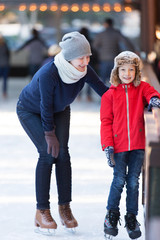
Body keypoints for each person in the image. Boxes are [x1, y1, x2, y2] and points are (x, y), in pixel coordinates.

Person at [16, 31, 108, 235]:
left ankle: (64, 208)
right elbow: (45, 106)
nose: (85, 61)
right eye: (81, 57)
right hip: (30, 110)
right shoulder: (49, 73)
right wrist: (49, 134)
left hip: (60, 110)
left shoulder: (84, 70)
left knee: (63, 154)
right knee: (48, 154)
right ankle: (42, 211)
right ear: (68, 57)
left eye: (88, 57)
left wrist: (130, 102)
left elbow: (103, 91)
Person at [100, 51, 160, 239]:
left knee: (133, 182)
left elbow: (152, 92)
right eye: (123, 70)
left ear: (136, 72)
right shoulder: (109, 95)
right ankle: (111, 215)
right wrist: (107, 146)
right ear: (117, 72)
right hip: (118, 146)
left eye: (131, 70)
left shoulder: (141, 88)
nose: (127, 74)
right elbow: (106, 122)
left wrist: (154, 101)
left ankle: (131, 217)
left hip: (138, 145)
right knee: (118, 181)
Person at [93, 18, 135, 86]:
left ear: (105, 24)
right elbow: (126, 42)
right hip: (114, 58)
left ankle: (104, 95)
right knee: (115, 79)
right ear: (112, 24)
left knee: (102, 80)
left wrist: (101, 52)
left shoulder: (101, 34)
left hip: (104, 59)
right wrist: (133, 50)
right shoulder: (116, 33)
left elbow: (95, 46)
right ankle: (114, 95)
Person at [78, 27, 99, 102]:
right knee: (90, 80)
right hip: (90, 62)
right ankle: (88, 96)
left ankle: (78, 95)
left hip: (79, 63)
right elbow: (94, 52)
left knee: (79, 79)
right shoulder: (90, 41)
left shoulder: (77, 42)